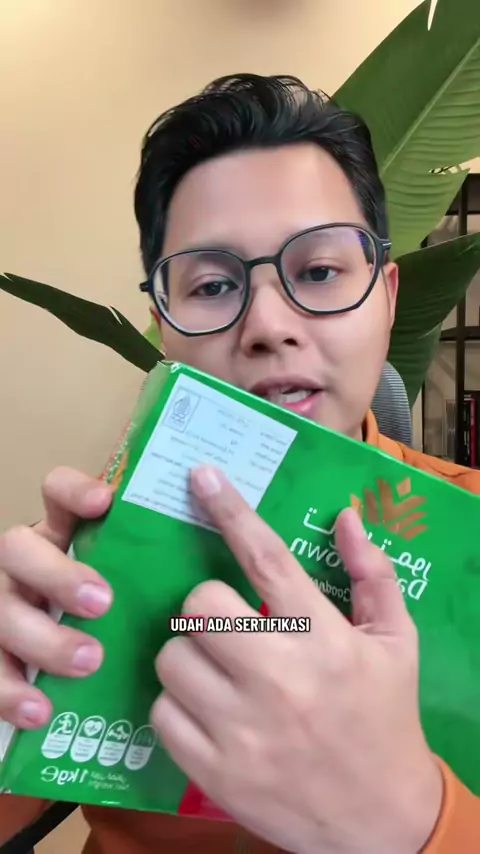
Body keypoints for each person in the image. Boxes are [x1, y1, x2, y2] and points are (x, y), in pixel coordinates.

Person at [0, 73, 479, 854]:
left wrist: (412, 823)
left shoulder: (472, 536)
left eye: (319, 272)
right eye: (215, 285)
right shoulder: (91, 561)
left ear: (387, 297)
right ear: (163, 325)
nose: (267, 325)